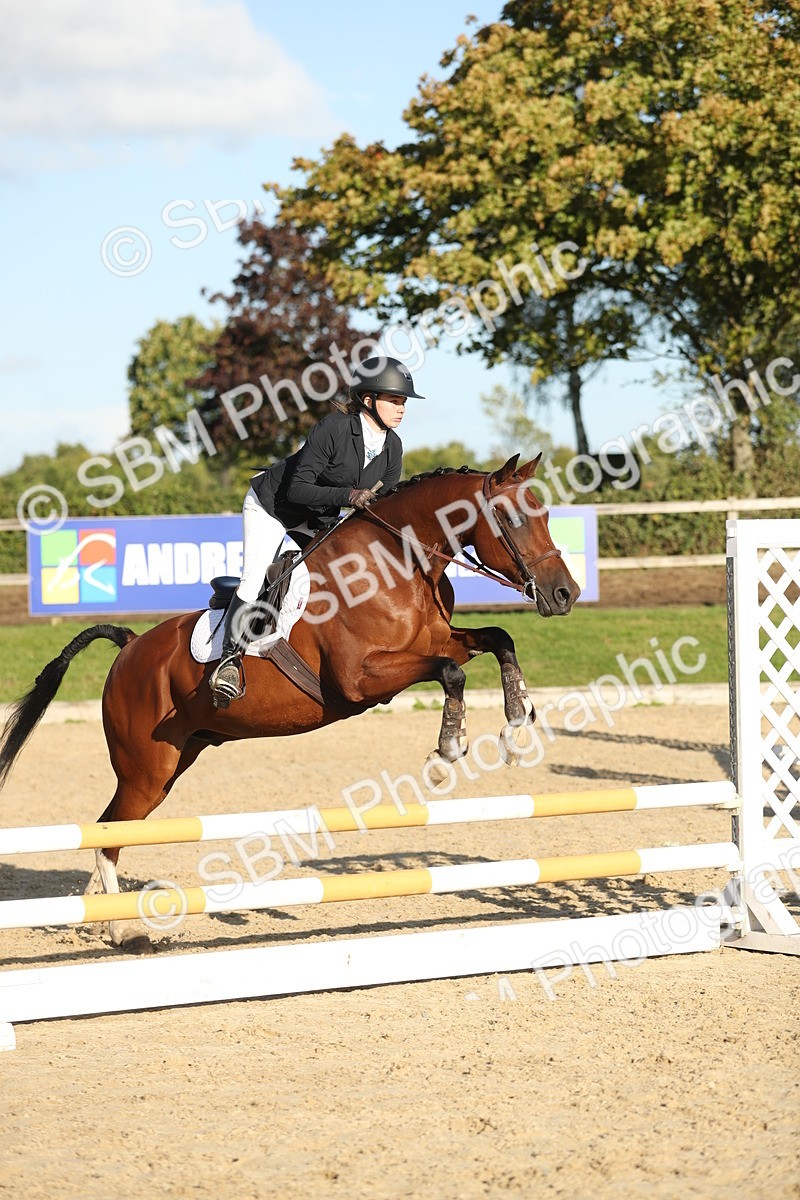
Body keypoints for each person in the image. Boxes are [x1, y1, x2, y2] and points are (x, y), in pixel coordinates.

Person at [209, 355, 424, 707]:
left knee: (342, 573)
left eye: (403, 402)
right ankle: (228, 663)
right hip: (272, 505)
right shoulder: (334, 429)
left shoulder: (392, 447)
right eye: (394, 400)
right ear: (368, 400)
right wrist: (348, 496)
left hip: (318, 514)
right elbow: (297, 489)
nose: (401, 409)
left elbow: (382, 507)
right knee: (254, 577)